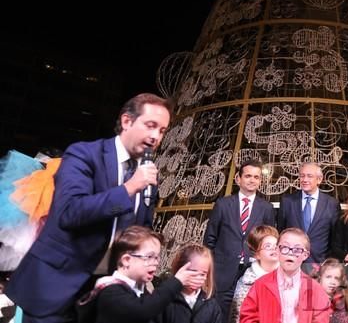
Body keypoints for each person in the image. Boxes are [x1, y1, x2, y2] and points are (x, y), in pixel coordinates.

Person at [6, 92, 172, 323]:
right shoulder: (84, 154)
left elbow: (139, 229)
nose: (155, 136)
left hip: (102, 293)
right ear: (126, 121)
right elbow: (69, 212)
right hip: (56, 284)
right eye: (150, 125)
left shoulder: (147, 174)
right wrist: (129, 188)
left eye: (162, 131)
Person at [204, 160, 276, 318]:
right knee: (219, 317)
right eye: (248, 176)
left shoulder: (266, 208)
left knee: (247, 317)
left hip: (253, 273)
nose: (252, 180)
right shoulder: (223, 204)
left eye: (256, 177)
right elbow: (210, 239)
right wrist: (210, 270)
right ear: (238, 179)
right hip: (223, 273)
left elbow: (270, 241)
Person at [92, 226, 203, 323]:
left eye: (157, 257)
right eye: (149, 257)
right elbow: (142, 310)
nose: (156, 263)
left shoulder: (142, 290)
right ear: (126, 260)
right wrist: (177, 281)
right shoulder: (110, 291)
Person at [239, 227, 331, 323]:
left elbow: (321, 320)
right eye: (285, 248)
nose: (290, 253)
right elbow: (248, 316)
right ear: (277, 250)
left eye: (297, 249)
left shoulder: (315, 289)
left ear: (305, 255)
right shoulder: (261, 284)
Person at [277, 163, 340, 263]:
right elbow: (280, 232)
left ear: (319, 179)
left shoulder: (332, 204)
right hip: (291, 262)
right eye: (302, 176)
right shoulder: (287, 201)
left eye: (309, 176)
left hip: (319, 263)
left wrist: (329, 261)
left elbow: (335, 237)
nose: (305, 180)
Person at [157, 244, 222, 323]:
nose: (198, 278)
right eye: (193, 272)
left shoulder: (212, 306)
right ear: (180, 269)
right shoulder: (166, 301)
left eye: (203, 274)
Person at [229, 225, 280, 323]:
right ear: (257, 254)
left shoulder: (290, 277)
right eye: (267, 246)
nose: (274, 248)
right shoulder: (246, 282)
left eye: (276, 245)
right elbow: (237, 317)